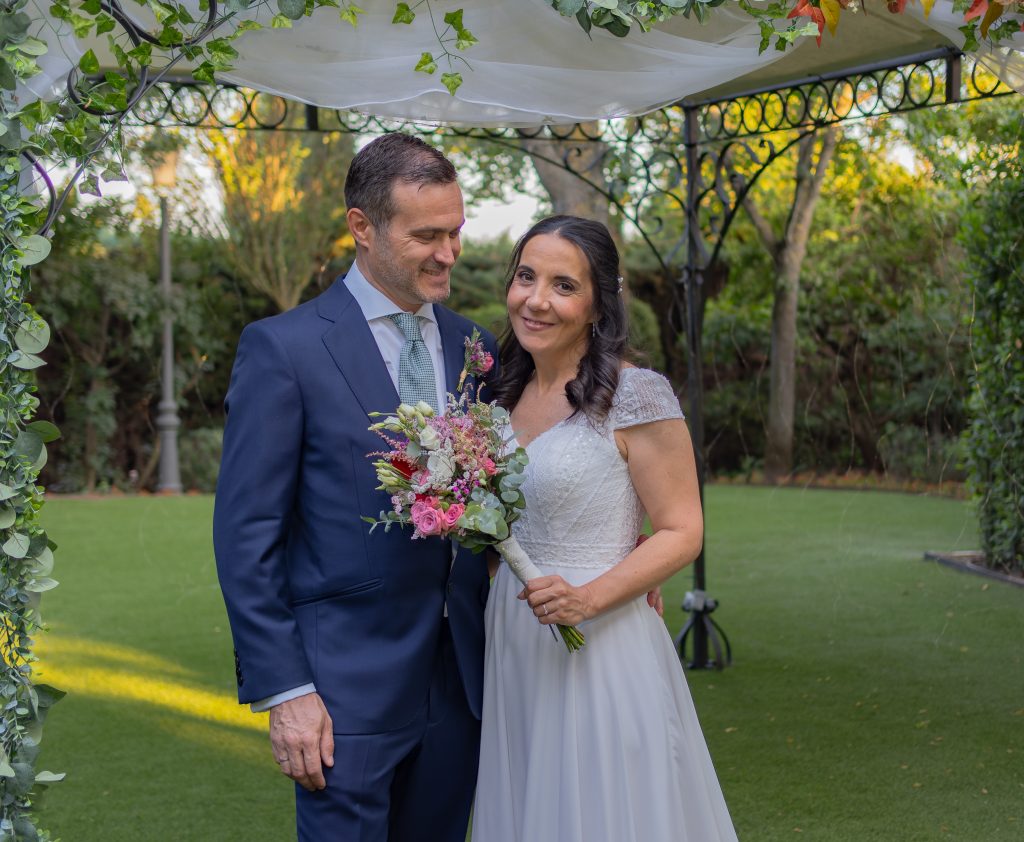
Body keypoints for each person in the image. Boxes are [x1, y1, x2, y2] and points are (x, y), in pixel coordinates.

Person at [213, 133, 496, 842]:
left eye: (456, 231)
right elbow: (247, 536)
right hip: (342, 692)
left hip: (463, 682)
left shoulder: (474, 346)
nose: (448, 253)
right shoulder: (285, 349)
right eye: (426, 234)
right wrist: (288, 690)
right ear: (362, 228)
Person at [471, 216, 739, 841]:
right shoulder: (493, 397)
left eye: (563, 285)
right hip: (513, 636)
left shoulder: (635, 394)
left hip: (603, 638)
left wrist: (587, 598)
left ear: (597, 306)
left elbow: (682, 529)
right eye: (526, 277)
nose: (536, 300)